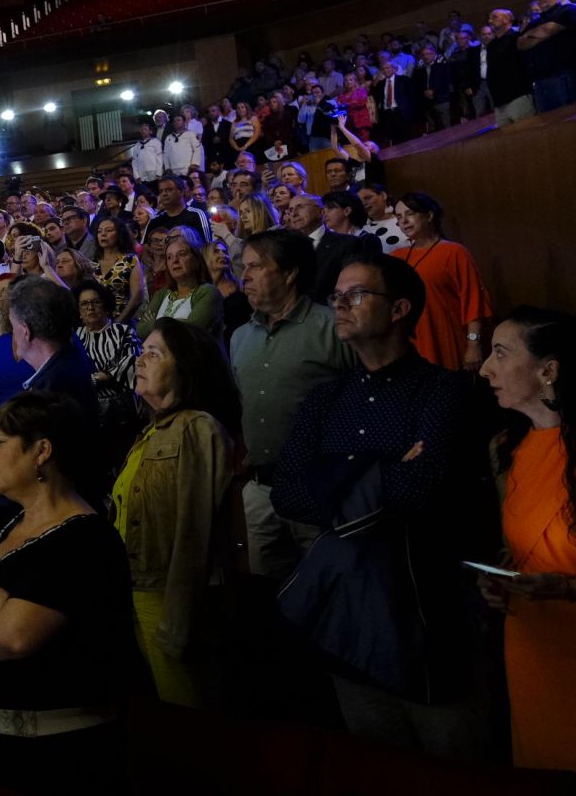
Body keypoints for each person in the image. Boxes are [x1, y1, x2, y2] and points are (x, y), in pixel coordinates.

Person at [271, 255, 494, 757]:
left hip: (429, 609)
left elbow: (428, 487)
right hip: (350, 613)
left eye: (356, 295)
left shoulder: (446, 390)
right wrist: (388, 469)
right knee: (378, 768)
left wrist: (336, 479)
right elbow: (286, 489)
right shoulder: (326, 398)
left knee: (455, 763)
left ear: (398, 309)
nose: (340, 305)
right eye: (337, 297)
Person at [0, 392, 149, 794]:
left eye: (0, 443)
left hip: (55, 761)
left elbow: (12, 636)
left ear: (41, 451)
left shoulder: (87, 540)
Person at [110, 321, 240, 707]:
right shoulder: (150, 432)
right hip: (137, 594)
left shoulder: (198, 429)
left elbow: (194, 534)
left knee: (187, 716)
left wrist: (178, 623)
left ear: (186, 367)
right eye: (142, 351)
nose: (140, 360)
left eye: (155, 353)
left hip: (169, 602)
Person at [477, 307, 576, 772]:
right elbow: (518, 547)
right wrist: (500, 579)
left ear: (548, 370)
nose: (484, 368)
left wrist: (567, 588)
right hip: (530, 643)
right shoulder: (508, 448)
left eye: (499, 353)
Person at [228, 230, 350, 579]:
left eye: (256, 266)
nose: (245, 276)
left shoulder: (331, 328)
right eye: (243, 267)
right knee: (266, 600)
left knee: (325, 589)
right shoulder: (240, 337)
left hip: (319, 489)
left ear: (290, 272)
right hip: (261, 489)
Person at [392, 192, 492, 372]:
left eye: (410, 214)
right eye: (399, 217)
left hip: (447, 339)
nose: (403, 221)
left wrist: (473, 344)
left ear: (429, 215)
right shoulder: (396, 257)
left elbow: (473, 300)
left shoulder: (454, 252)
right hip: (411, 344)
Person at [7, 277, 98, 417]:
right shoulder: (71, 360)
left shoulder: (50, 395)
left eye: (13, 326)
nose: (13, 333)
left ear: (26, 331)